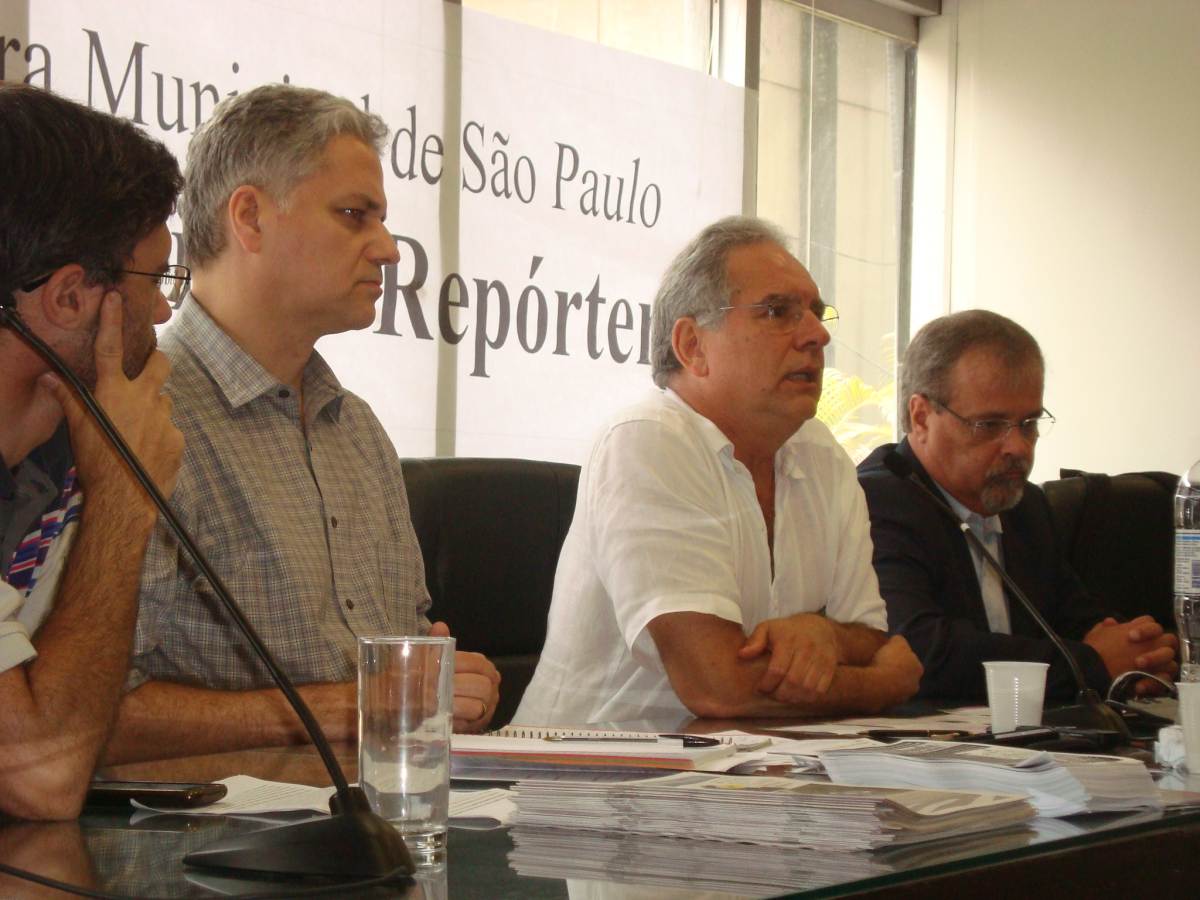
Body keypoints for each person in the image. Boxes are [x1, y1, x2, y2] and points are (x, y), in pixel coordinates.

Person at [105, 84, 500, 764]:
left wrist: (448, 690)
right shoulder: (137, 415)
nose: (389, 250)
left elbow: (404, 669)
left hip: (380, 809)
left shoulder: (359, 431)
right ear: (251, 218)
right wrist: (351, 708)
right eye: (354, 215)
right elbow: (84, 714)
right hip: (212, 831)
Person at [514, 216, 922, 726]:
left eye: (817, 314)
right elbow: (718, 687)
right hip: (599, 765)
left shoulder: (821, 454)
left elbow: (872, 639)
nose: (817, 335)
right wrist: (881, 686)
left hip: (759, 764)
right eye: (778, 311)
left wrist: (827, 636)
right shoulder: (648, 440)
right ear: (693, 346)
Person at [0, 84, 184, 818]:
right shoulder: (97, 469)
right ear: (71, 297)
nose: (165, 308)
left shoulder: (49, 462)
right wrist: (126, 499)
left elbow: (65, 729)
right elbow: (41, 776)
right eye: (156, 278)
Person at [857, 310, 1177, 700]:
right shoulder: (876, 502)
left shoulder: (1025, 507)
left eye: (1029, 424)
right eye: (990, 425)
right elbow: (922, 651)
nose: (1018, 447)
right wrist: (1091, 664)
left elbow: (1078, 621)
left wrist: (1139, 654)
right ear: (921, 417)